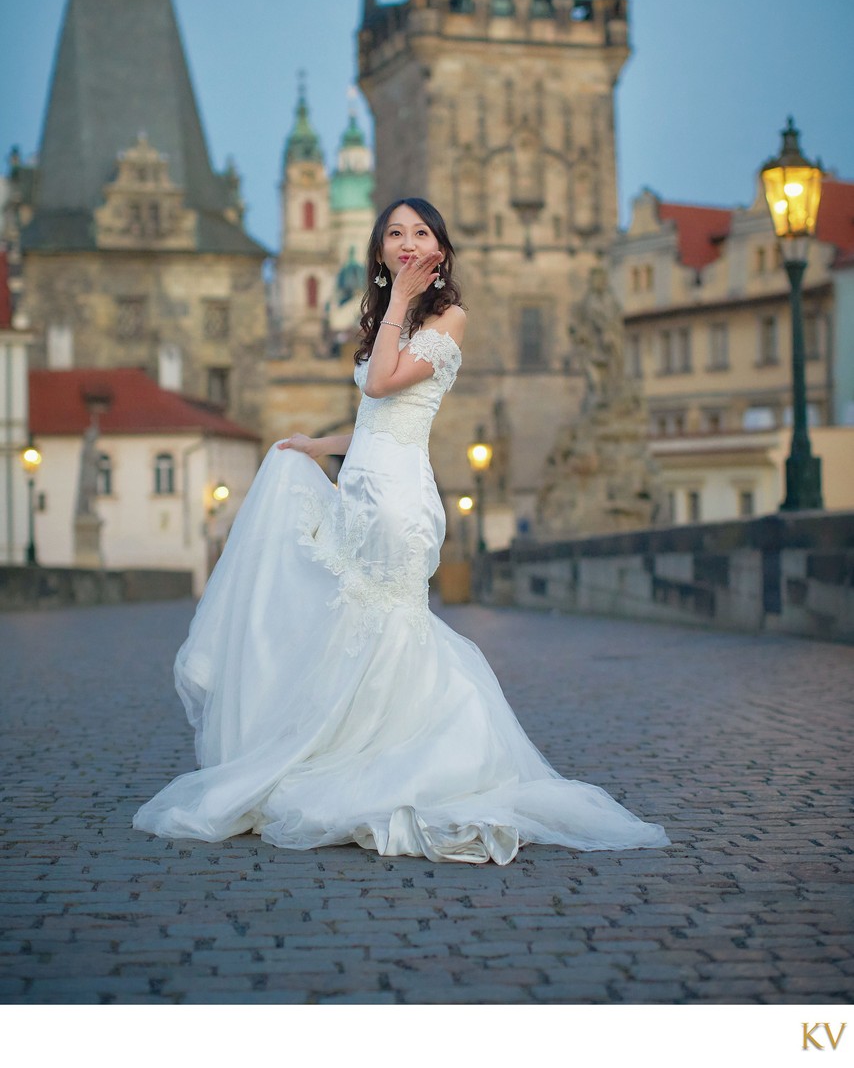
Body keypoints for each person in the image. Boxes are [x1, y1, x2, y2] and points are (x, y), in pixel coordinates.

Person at [133, 198, 669, 864]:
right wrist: (319, 442)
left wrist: (397, 305)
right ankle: (348, 741)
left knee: (388, 618)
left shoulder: (449, 317)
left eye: (421, 233)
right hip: (363, 480)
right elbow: (373, 418)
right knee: (348, 612)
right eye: (396, 233)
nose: (408, 242)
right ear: (380, 250)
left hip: (397, 498)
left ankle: (401, 757)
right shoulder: (396, 316)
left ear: (439, 251)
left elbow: (386, 384)